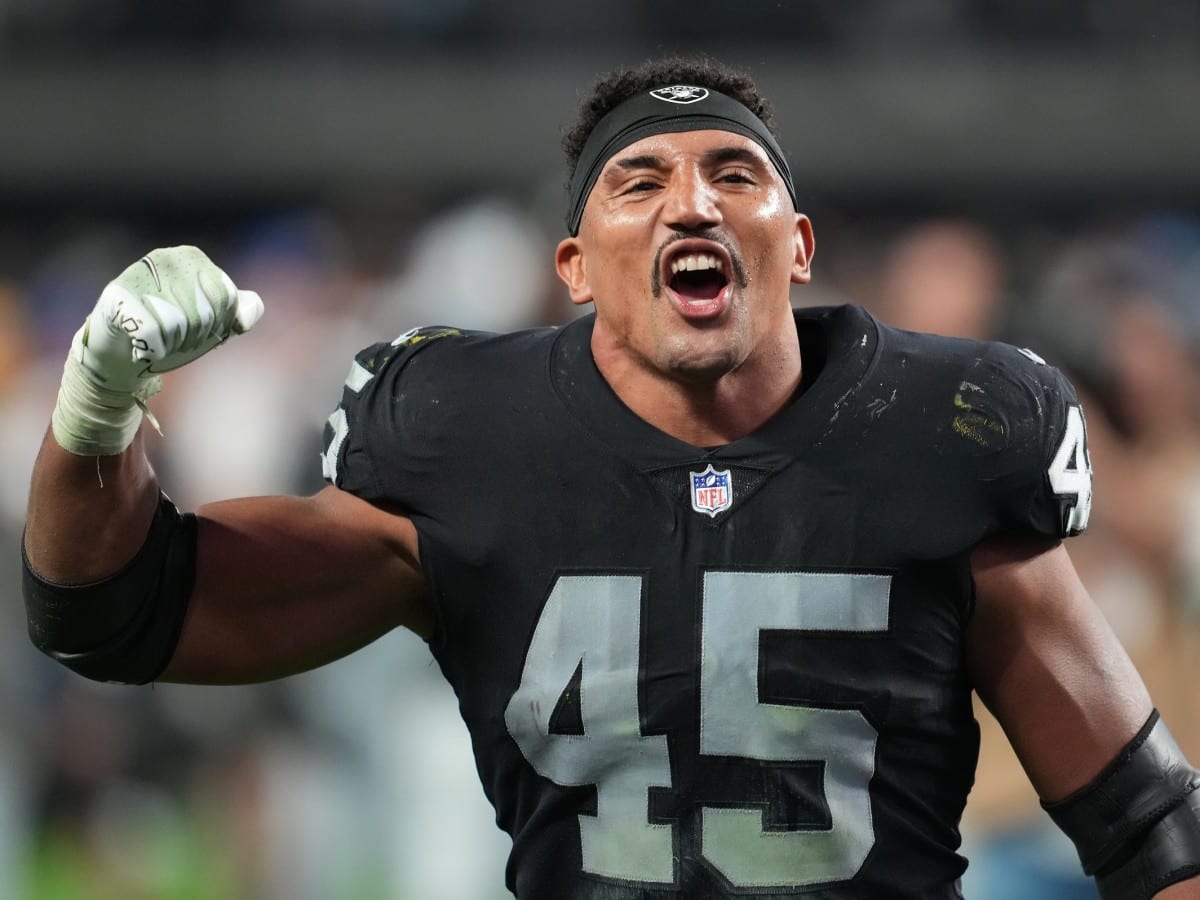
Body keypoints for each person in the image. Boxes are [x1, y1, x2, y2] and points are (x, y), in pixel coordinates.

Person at [20, 57, 1200, 900]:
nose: (693, 200)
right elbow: (115, 608)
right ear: (578, 267)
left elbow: (1150, 829)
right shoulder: (471, 441)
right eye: (639, 182)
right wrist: (95, 417)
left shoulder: (940, 433)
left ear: (796, 244)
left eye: (735, 173)